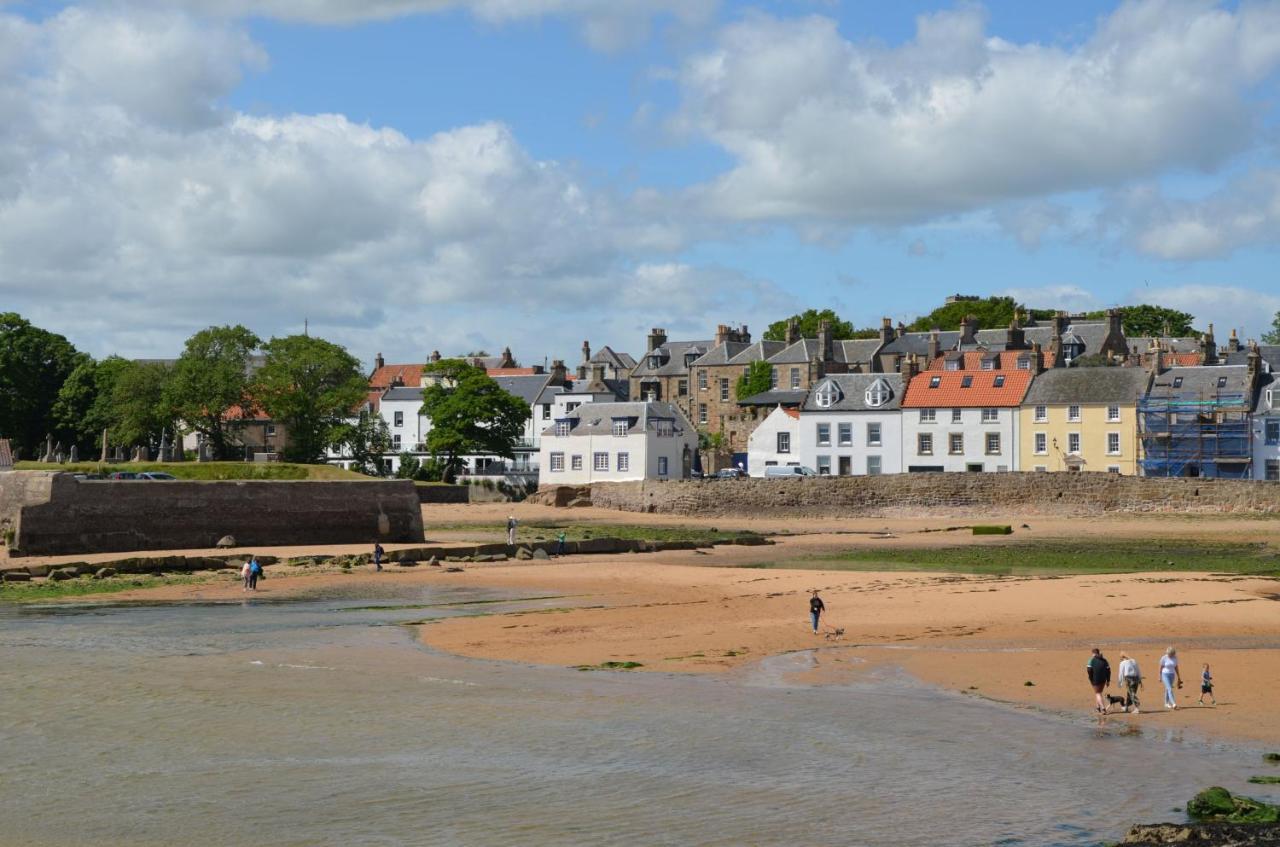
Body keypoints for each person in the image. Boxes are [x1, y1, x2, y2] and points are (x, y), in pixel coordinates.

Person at [1086, 648, 1111, 714]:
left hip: (1095, 679)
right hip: (1103, 679)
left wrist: (1090, 678)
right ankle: (1098, 708)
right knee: (1099, 692)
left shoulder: (1091, 660)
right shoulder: (1104, 660)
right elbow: (1108, 671)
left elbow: (1089, 670)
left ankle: (1103, 709)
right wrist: (1108, 680)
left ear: (1093, 653)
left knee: (1098, 693)